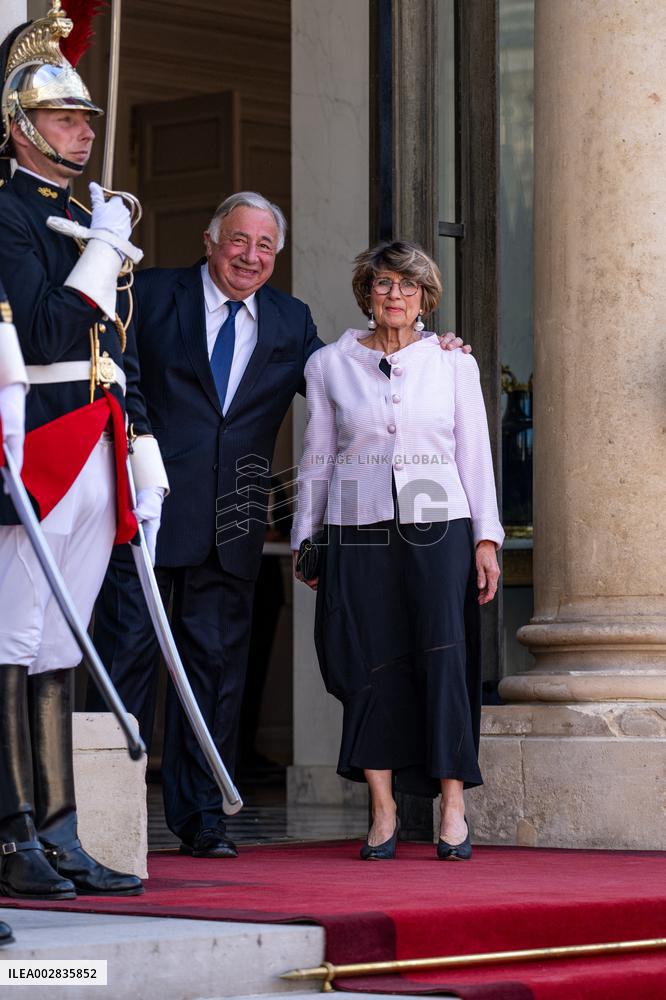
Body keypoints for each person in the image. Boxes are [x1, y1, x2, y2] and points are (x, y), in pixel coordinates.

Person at [91, 193, 469, 859]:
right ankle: (100, 818)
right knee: (126, 662)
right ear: (211, 240)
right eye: (240, 240)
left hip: (231, 523)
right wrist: (139, 453)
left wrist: (424, 350)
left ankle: (202, 819)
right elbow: (114, 373)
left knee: (213, 675)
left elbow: (351, 380)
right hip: (144, 509)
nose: (252, 256)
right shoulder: (149, 292)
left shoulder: (291, 322)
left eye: (266, 247)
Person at [0, 6, 168, 899]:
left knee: (66, 643)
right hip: (39, 442)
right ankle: (14, 829)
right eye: (66, 119)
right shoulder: (11, 217)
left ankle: (61, 830)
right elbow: (44, 325)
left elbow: (118, 346)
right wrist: (100, 251)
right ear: (23, 129)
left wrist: (140, 435)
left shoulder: (86, 215)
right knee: (15, 632)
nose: (82, 131)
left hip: (98, 438)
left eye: (87, 120)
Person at [291, 240, 503, 861]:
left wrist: (485, 537)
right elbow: (318, 457)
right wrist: (308, 537)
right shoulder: (330, 364)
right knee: (369, 662)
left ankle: (453, 807)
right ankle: (381, 809)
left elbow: (475, 455)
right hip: (359, 529)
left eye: (408, 287)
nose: (395, 296)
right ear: (367, 292)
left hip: (441, 526)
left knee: (443, 658)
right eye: (384, 284)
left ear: (425, 299)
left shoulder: (453, 363)